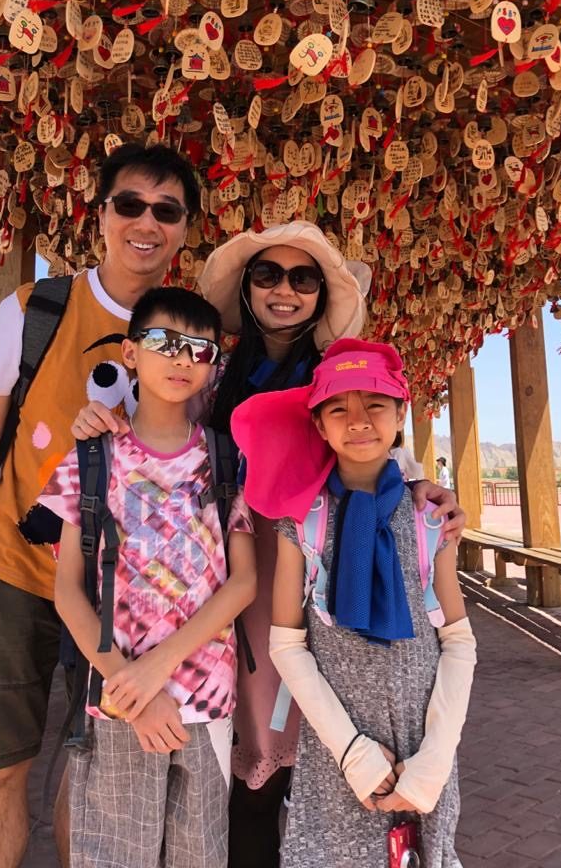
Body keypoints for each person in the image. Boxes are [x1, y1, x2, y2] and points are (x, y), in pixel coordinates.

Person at [72, 222, 467, 868]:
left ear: (320, 294)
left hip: (319, 570)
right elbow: (160, 429)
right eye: (267, 275)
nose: (285, 290)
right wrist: (100, 422)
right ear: (248, 289)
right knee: (247, 760)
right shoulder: (211, 375)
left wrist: (424, 487)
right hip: (226, 579)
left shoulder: (337, 375)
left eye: (303, 278)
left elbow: (381, 455)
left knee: (320, 743)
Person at [0, 143, 201, 868]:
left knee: (91, 774)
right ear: (101, 215)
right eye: (130, 204)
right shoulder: (34, 310)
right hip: (15, 571)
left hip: (121, 593)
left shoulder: (189, 337)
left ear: (183, 230)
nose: (146, 223)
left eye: (167, 211)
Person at [231, 339, 477, 868]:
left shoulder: (429, 517)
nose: (359, 420)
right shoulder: (303, 522)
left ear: (400, 415)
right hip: (337, 752)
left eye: (376, 405)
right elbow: (287, 644)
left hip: (422, 745)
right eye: (338, 408)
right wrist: (351, 751)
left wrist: (435, 758)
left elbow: (457, 640)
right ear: (318, 425)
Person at [39, 287, 256, 867]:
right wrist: (130, 685)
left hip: (207, 700)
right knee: (117, 856)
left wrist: (157, 669)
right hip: (118, 699)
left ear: (212, 367)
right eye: (164, 342)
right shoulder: (90, 459)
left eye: (200, 349)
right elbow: (67, 591)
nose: (182, 359)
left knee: (200, 857)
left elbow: (243, 582)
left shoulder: (227, 460)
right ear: (131, 353)